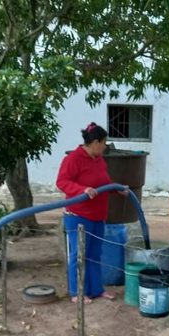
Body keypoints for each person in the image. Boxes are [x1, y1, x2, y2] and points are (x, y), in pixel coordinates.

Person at [56, 122, 126, 304]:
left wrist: (116, 189)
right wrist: (82, 189)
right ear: (95, 142)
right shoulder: (73, 159)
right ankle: (77, 292)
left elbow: (103, 182)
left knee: (95, 254)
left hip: (98, 216)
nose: (105, 147)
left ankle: (96, 290)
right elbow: (62, 182)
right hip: (78, 216)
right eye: (104, 143)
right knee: (79, 254)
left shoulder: (99, 160)